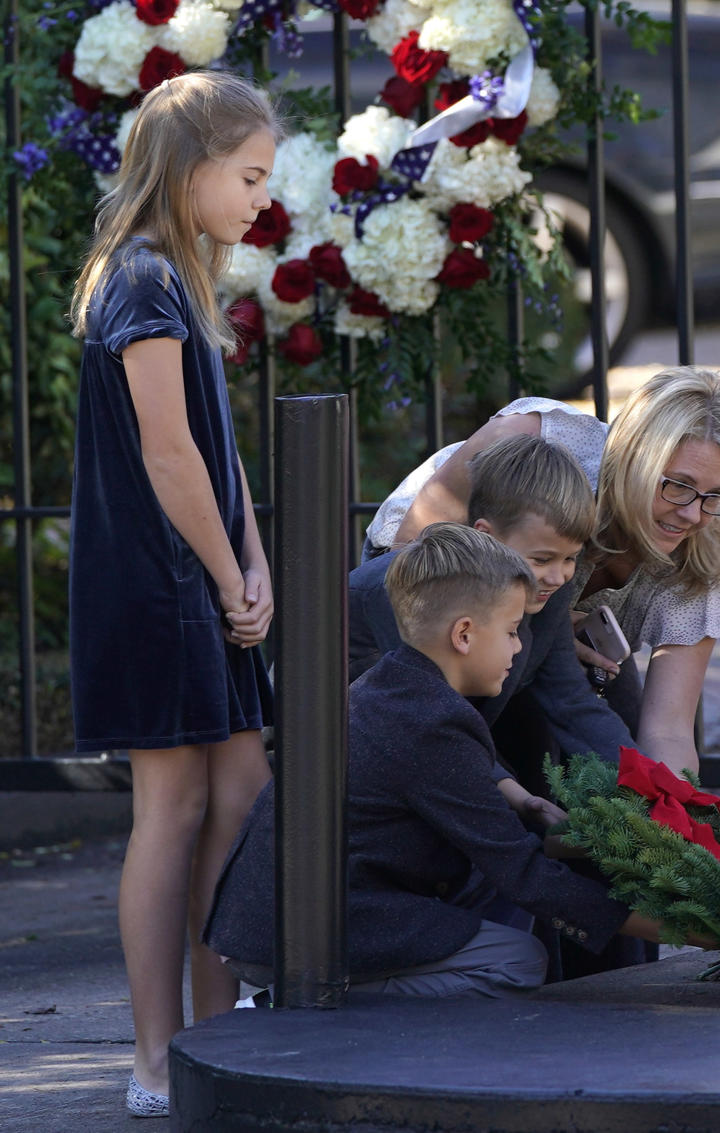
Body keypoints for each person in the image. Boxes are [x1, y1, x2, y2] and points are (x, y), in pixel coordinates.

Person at [205, 524, 675, 997]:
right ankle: (308, 1002)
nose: (517, 647)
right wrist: (687, 931)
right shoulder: (433, 722)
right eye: (512, 631)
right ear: (464, 635)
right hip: (296, 935)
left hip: (281, 913)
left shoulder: (400, 685)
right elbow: (526, 874)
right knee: (516, 959)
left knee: (485, 890)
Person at [68, 72, 280, 1118]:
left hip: (200, 574)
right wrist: (227, 567)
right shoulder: (142, 278)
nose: (257, 200)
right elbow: (165, 451)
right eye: (246, 176)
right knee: (175, 804)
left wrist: (254, 554)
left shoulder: (182, 279)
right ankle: (158, 1055)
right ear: (189, 165)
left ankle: (217, 1029)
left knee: (238, 791)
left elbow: (216, 449)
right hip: (154, 585)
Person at [363, 368, 720, 778]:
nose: (692, 513)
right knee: (476, 764)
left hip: (550, 633)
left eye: (715, 495)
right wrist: (515, 625)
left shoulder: (699, 557)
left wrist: (671, 814)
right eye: (677, 485)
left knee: (612, 738)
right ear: (634, 459)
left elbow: (669, 731)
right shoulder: (533, 445)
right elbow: (405, 569)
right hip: (435, 613)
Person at [350, 433, 636, 808]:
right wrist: (520, 802)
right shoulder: (415, 590)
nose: (558, 576)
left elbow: (568, 699)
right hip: (354, 756)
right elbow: (433, 721)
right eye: (541, 559)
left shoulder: (546, 586)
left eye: (570, 559)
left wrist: (652, 783)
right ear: (487, 535)